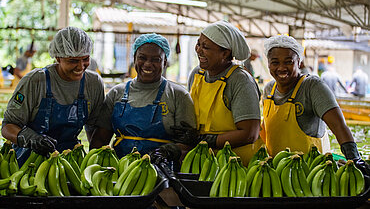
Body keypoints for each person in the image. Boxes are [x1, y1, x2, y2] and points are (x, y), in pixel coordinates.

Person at [260, 35, 369, 176]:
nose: (281, 68)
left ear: (299, 62)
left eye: (288, 62)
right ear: (268, 63)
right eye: (275, 62)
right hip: (276, 172)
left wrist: (354, 157)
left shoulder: (312, 87)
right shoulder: (269, 90)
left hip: (311, 174)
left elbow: (338, 125)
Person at [1, 27, 105, 166]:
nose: (81, 66)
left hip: (68, 163)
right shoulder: (35, 81)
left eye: (85, 59)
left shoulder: (93, 83)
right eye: (73, 61)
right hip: (28, 161)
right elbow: (8, 126)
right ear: (58, 57)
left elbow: (94, 127)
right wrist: (31, 139)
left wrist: (93, 162)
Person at [89, 33, 197, 165]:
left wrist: (170, 151)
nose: (148, 64)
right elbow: (100, 139)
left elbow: (188, 143)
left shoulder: (178, 95)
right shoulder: (116, 93)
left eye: (156, 59)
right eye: (142, 58)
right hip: (119, 170)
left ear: (165, 62)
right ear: (134, 58)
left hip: (164, 173)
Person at [184, 20, 262, 167]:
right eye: (198, 44)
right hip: (204, 162)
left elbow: (250, 133)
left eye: (206, 47)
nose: (199, 50)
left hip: (236, 166)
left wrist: (206, 139)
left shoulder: (240, 80)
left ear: (225, 53)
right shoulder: (197, 74)